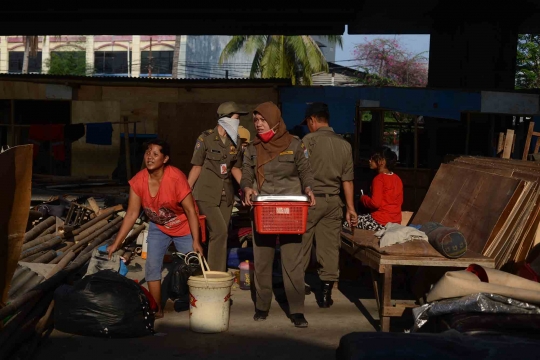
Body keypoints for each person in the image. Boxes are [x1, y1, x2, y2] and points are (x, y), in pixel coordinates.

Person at [107, 139, 203, 319]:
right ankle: (156, 308)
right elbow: (131, 214)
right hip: (158, 227)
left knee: (193, 266)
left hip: (183, 226)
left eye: (155, 154)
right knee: (151, 266)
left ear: (165, 159)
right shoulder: (138, 181)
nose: (149, 157)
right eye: (147, 153)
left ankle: (197, 304)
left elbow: (191, 210)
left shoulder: (175, 178)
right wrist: (116, 243)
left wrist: (196, 241)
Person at [241, 101, 316, 328]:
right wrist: (247, 187)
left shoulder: (295, 144)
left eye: (263, 120)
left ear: (274, 119)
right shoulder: (252, 148)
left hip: (291, 210)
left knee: (292, 261)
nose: (259, 124)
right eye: (256, 120)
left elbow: (305, 171)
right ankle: (262, 307)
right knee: (262, 260)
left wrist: (309, 188)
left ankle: (297, 311)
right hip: (264, 210)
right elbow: (246, 173)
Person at [299, 102, 357, 308]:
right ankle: (325, 294)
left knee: (301, 244)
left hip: (310, 201)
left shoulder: (307, 141)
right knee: (330, 247)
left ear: (312, 120)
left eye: (307, 123)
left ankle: (297, 286)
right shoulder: (345, 145)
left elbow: (298, 172)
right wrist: (350, 208)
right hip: (334, 202)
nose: (307, 127)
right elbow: (347, 180)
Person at [187, 102, 247, 272]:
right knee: (219, 232)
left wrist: (247, 188)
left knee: (219, 235)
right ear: (225, 118)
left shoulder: (236, 141)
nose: (239, 122)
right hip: (205, 194)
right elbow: (197, 166)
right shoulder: (205, 138)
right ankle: (216, 274)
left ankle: (208, 269)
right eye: (236, 118)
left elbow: (235, 168)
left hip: (225, 196)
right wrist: (185, 191)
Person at [352, 146, 403, 231]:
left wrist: (363, 198)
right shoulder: (397, 178)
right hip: (396, 222)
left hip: (380, 222)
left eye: (372, 158)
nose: (369, 160)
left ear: (381, 162)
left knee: (348, 223)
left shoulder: (379, 179)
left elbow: (375, 203)